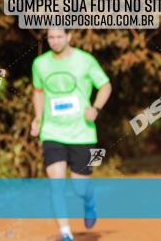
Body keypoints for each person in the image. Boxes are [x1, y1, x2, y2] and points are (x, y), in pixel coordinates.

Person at [31, 28, 112, 241]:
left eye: (59, 37)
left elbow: (105, 85)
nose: (55, 41)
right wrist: (38, 119)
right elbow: (38, 91)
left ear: (69, 37)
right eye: (51, 37)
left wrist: (95, 108)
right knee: (56, 180)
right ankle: (66, 233)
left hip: (81, 133)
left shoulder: (85, 60)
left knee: (79, 187)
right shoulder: (40, 64)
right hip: (52, 132)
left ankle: (89, 201)